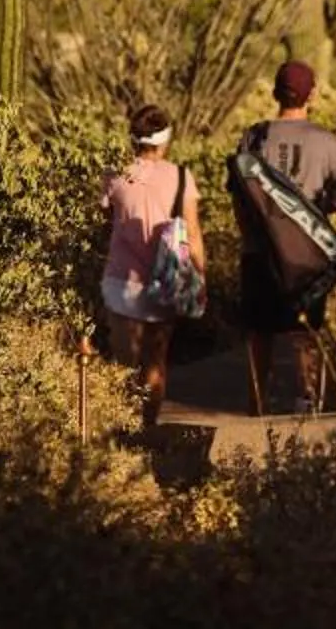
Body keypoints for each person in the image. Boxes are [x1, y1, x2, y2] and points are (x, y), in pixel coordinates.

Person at [235, 59, 336, 412]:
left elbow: (239, 192)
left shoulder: (254, 136)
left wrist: (250, 234)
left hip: (260, 248)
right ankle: (309, 398)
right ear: (311, 94)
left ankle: (256, 400)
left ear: (274, 93)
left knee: (259, 330)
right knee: (304, 329)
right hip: (309, 252)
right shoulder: (327, 142)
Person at [99, 102, 206, 433]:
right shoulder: (181, 177)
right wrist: (201, 279)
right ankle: (148, 429)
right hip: (167, 281)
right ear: (165, 141)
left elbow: (104, 221)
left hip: (121, 284)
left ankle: (125, 436)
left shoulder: (114, 175)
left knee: (123, 366)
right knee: (156, 363)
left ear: (133, 139)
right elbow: (193, 233)